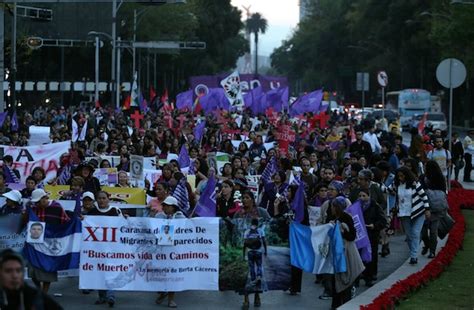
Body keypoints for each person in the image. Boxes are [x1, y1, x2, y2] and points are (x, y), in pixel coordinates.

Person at [85, 191, 125, 307]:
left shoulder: (115, 211)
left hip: (112, 248)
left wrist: (126, 219)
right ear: (96, 200)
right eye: (99, 198)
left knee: (110, 271)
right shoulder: (92, 212)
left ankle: (111, 295)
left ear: (108, 199)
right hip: (96, 249)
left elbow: (122, 225)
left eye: (104, 198)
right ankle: (102, 296)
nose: (101, 200)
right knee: (99, 272)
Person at [27, 189, 70, 293]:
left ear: (44, 198)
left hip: (50, 244)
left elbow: (65, 222)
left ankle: (44, 293)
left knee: (48, 269)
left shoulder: (57, 207)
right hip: (35, 244)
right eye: (35, 202)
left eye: (38, 201)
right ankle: (39, 289)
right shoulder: (33, 208)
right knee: (32, 270)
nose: (37, 204)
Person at [391, 166, 430, 265]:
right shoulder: (396, 185)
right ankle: (413, 251)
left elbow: (423, 195)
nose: (400, 178)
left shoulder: (415, 184)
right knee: (409, 235)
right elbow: (386, 190)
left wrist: (427, 209)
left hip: (418, 212)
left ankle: (413, 256)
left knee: (415, 233)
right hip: (404, 214)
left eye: (402, 176)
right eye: (399, 176)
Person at [154, 196, 186, 308]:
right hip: (161, 250)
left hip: (174, 251)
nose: (165, 207)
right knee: (161, 275)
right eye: (164, 205)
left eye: (168, 206)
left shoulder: (180, 218)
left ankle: (171, 299)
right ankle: (163, 293)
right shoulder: (159, 216)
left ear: (174, 207)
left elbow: (186, 232)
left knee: (172, 275)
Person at [357, 189, 386, 286]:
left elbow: (382, 221)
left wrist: (374, 226)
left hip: (371, 235)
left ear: (369, 196)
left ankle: (369, 277)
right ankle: (361, 275)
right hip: (360, 236)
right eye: (360, 196)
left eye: (364, 195)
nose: (362, 198)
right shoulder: (356, 207)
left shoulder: (375, 206)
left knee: (371, 256)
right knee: (359, 256)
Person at [421, 160, 448, 258]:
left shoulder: (440, 178)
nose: (424, 168)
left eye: (425, 166)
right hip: (424, 207)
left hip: (436, 208)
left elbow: (443, 192)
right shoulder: (423, 178)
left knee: (433, 231)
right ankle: (427, 245)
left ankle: (432, 250)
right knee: (423, 232)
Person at [242, 218, 267, 298]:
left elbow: (245, 244)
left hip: (250, 251)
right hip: (258, 251)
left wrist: (243, 254)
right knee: (259, 264)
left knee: (251, 266)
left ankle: (253, 280)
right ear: (257, 223)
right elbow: (264, 241)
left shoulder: (247, 231)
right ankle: (259, 276)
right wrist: (265, 250)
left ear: (251, 223)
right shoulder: (260, 231)